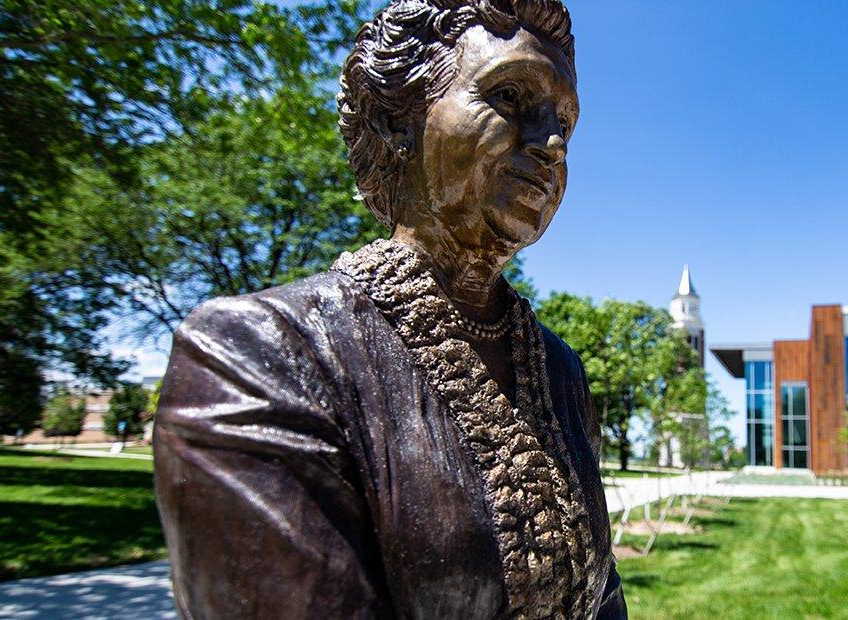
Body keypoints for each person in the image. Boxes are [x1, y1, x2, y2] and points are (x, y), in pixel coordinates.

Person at [150, 1, 626, 617]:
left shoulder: (560, 373)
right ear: (395, 120)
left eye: (565, 121)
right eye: (510, 96)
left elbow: (603, 592)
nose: (554, 143)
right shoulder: (259, 354)